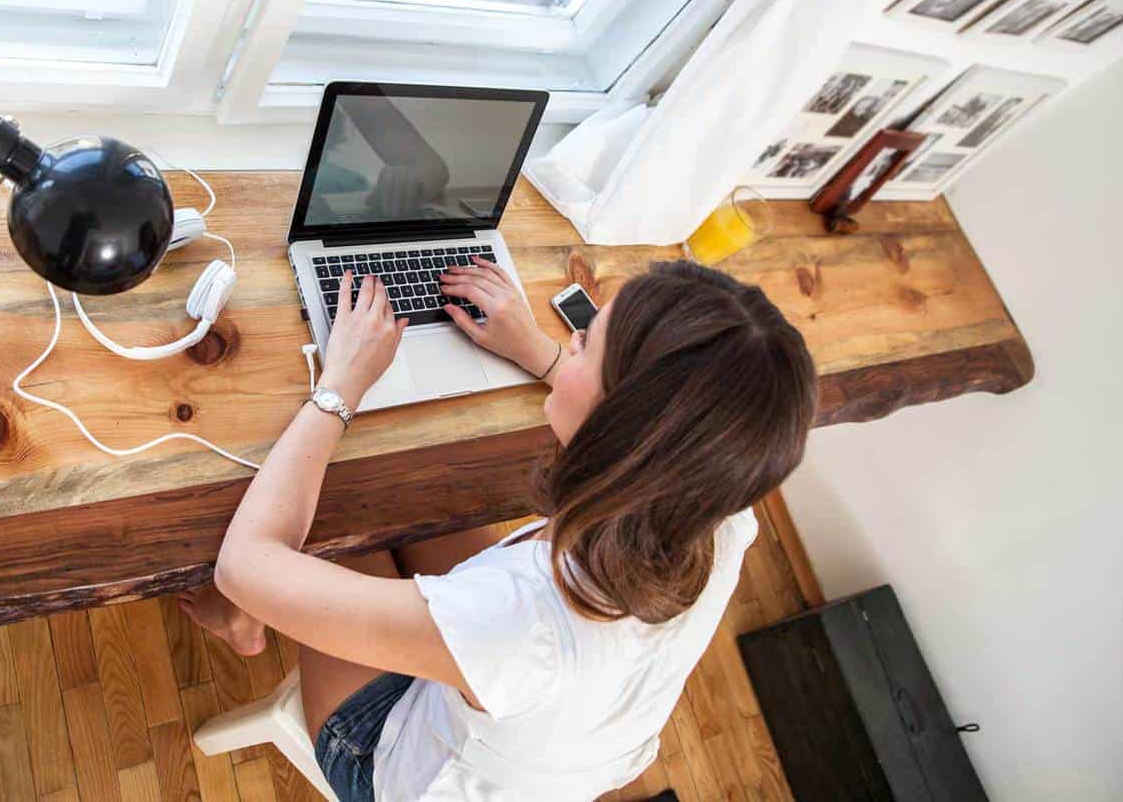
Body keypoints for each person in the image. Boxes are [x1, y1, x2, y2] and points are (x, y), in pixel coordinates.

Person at [180, 259, 817, 801]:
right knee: (410, 493)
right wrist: (531, 349)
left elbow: (247, 560)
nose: (567, 339)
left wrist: (341, 385)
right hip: (558, 737)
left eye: (584, 341)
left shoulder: (525, 622)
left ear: (622, 426)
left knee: (340, 510)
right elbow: (666, 427)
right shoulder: (718, 508)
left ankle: (240, 618)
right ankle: (246, 611)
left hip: (399, 764)